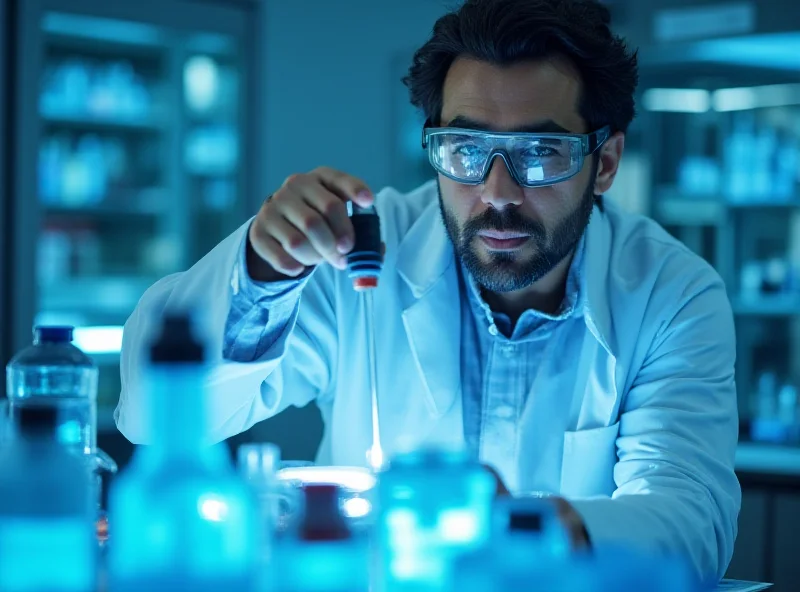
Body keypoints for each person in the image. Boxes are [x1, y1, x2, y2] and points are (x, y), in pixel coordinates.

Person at [116, 0, 740, 582]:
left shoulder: (671, 293)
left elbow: (689, 526)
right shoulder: (353, 254)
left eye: (542, 152)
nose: (497, 192)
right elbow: (148, 413)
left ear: (604, 163)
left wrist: (507, 529)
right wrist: (262, 269)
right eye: (465, 149)